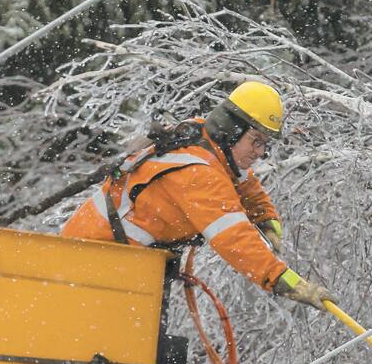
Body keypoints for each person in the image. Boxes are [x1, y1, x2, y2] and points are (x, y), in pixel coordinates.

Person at [61, 81, 334, 311]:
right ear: (232, 131)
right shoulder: (198, 174)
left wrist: (266, 217)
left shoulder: (202, 136)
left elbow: (243, 181)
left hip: (118, 265)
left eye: (266, 144)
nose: (261, 152)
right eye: (256, 141)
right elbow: (235, 239)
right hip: (96, 266)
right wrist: (289, 283)